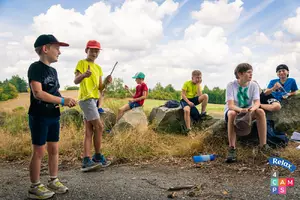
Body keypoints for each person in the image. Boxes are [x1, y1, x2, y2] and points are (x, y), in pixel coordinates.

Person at [27, 34, 76, 199]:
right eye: (57, 48)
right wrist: (63, 100)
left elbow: (53, 92)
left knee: (54, 149)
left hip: (53, 115)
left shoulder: (53, 71)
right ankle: (34, 186)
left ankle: (53, 180)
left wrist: (64, 100)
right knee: (39, 151)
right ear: (45, 49)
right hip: (39, 115)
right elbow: (38, 93)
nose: (59, 52)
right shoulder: (35, 68)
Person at [224, 63, 276, 163]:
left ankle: (263, 146)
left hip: (248, 111)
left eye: (251, 72)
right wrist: (240, 110)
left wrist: (252, 109)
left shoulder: (254, 85)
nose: (251, 74)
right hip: (234, 110)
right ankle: (232, 148)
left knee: (260, 111)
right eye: (248, 72)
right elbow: (230, 105)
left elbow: (257, 102)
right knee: (231, 114)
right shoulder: (231, 85)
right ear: (240, 74)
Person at [74, 40, 112, 172]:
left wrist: (106, 82)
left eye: (97, 51)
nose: (94, 53)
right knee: (99, 127)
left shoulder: (98, 68)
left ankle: (86, 159)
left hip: (94, 100)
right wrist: (84, 75)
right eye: (92, 50)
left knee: (89, 131)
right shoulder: (82, 63)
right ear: (86, 51)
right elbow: (76, 80)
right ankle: (97, 156)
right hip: (86, 99)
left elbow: (100, 87)